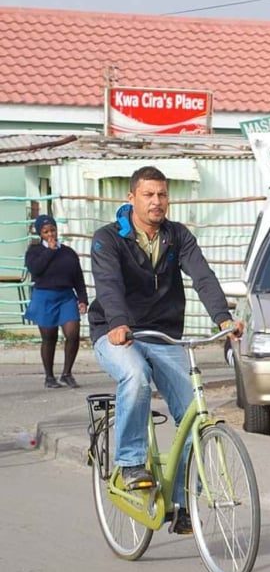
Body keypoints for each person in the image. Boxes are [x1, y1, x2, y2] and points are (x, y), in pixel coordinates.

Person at [88, 166, 240, 536]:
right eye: (149, 194)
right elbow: (108, 285)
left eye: (162, 194)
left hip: (164, 335)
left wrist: (223, 318)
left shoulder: (177, 236)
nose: (157, 202)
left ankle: (184, 502)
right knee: (136, 376)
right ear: (131, 198)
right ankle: (131, 463)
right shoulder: (108, 239)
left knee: (193, 413)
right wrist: (118, 322)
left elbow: (202, 276)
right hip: (117, 333)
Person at [24, 214, 88, 389]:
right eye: (46, 232)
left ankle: (67, 373)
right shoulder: (34, 251)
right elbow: (36, 270)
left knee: (73, 334)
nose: (50, 234)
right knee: (49, 337)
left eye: (52, 230)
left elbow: (78, 277)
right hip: (44, 297)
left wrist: (82, 299)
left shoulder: (68, 252)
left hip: (66, 297)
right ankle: (49, 376)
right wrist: (50, 251)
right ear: (40, 234)